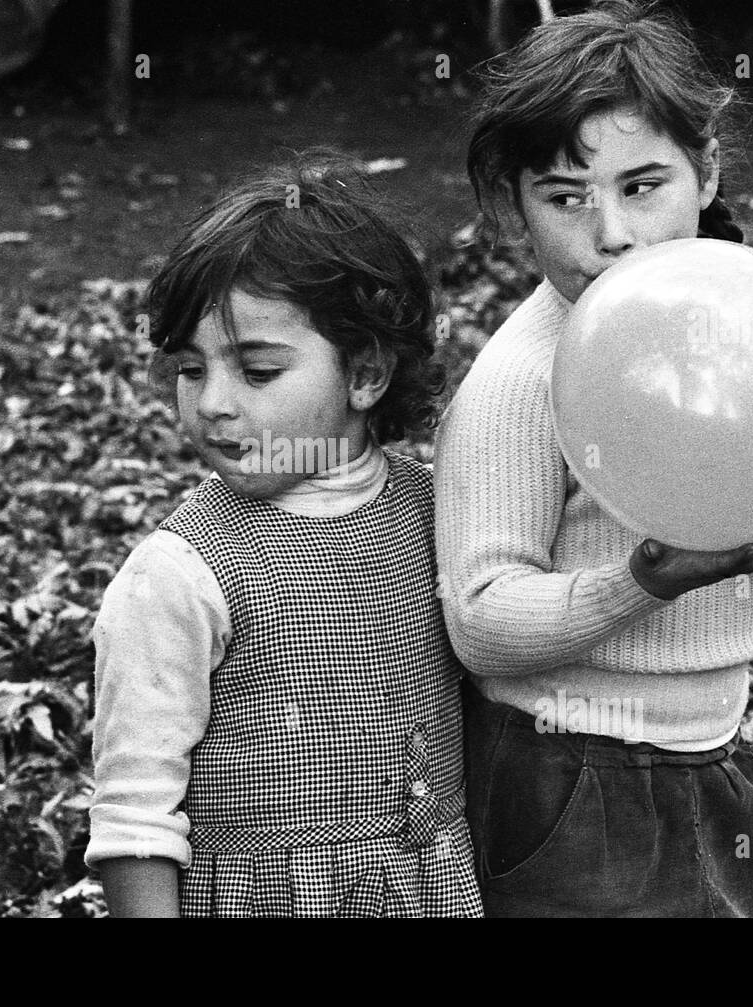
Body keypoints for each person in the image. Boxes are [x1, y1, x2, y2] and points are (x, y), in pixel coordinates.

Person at [437, 0, 753, 917]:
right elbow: (480, 618)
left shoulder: (742, 323)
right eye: (565, 196)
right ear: (516, 206)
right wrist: (644, 580)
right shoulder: (520, 380)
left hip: (715, 749)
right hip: (573, 770)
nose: (612, 234)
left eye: (644, 186)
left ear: (705, 171)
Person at [86, 155, 482, 917]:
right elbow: (134, 814)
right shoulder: (180, 573)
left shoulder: (437, 514)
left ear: (365, 374)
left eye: (257, 371)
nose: (213, 404)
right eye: (192, 369)